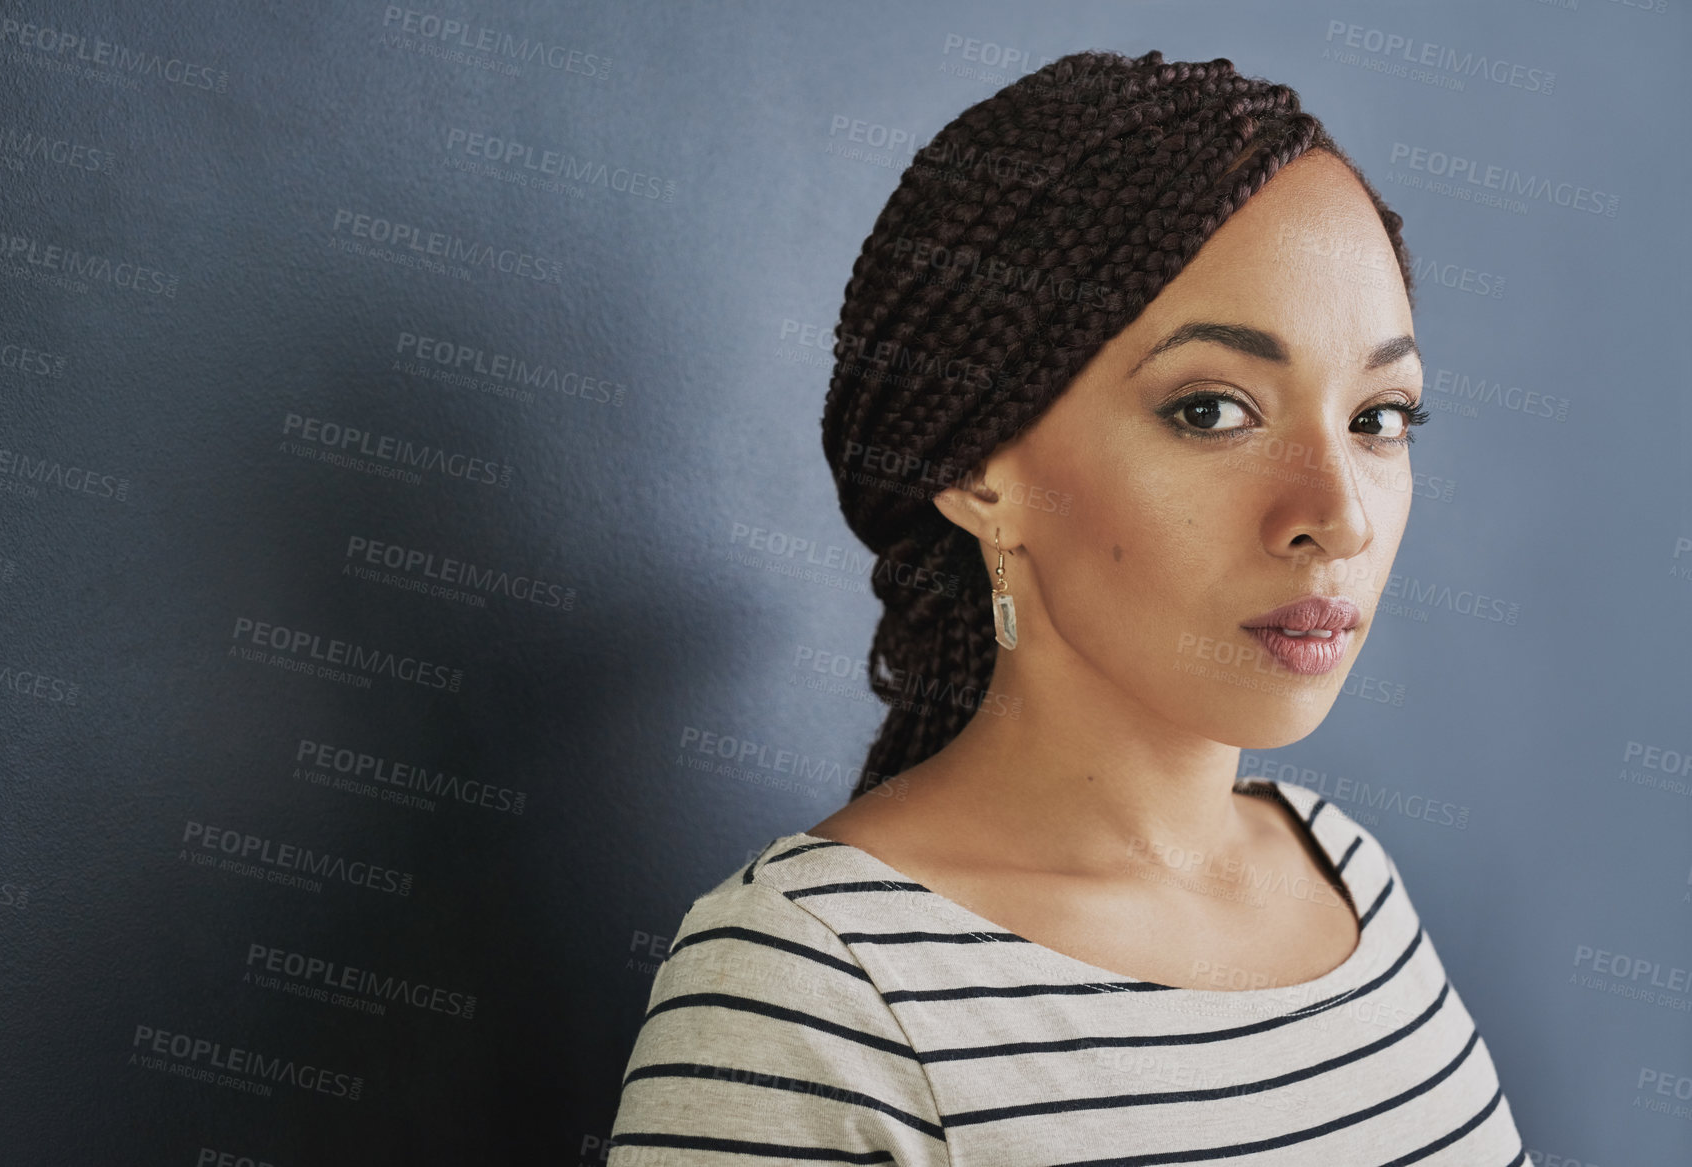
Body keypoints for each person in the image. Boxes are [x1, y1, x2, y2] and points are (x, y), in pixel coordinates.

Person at [608, 48, 1526, 1163]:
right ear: (979, 470)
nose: (1339, 516)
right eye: (1209, 411)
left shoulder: (1344, 870)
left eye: (1380, 417)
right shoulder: (809, 986)